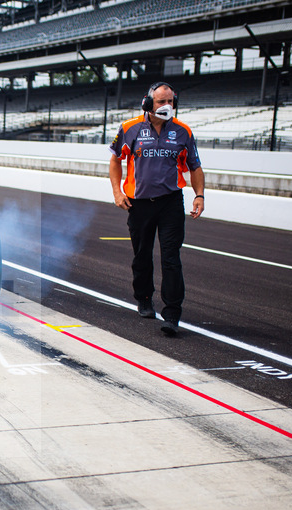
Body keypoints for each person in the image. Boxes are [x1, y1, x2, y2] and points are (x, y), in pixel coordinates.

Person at [108, 81, 205, 336]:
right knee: (142, 255)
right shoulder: (130, 128)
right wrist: (117, 191)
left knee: (171, 257)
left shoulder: (183, 131)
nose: (167, 106)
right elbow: (116, 160)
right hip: (139, 203)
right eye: (161, 101)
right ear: (148, 103)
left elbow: (195, 167)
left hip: (171, 202)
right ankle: (144, 298)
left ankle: (172, 314)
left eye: (171, 101)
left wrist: (199, 195)